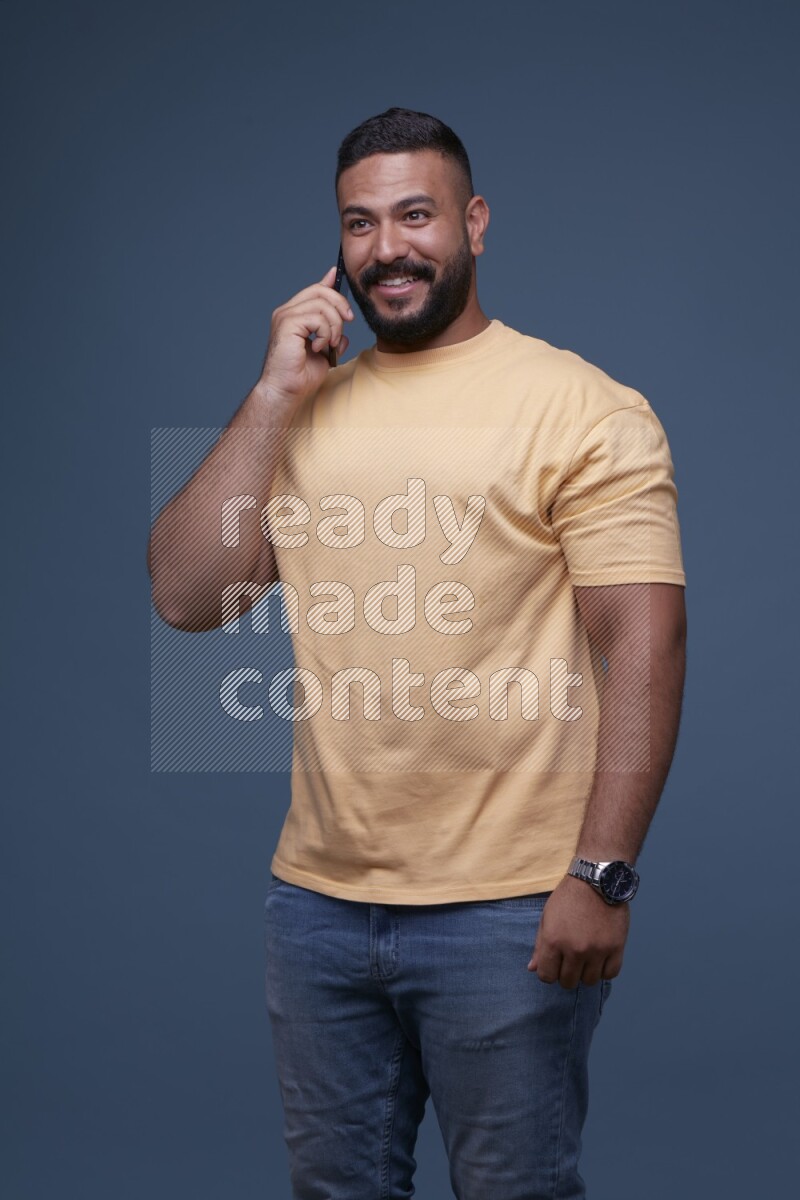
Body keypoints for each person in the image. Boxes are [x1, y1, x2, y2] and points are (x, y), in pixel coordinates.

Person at [148, 107, 687, 1199]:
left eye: (413, 215)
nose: (386, 247)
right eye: (359, 222)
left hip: (509, 908)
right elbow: (188, 595)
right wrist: (268, 395)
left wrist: (600, 874)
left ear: (473, 223)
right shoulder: (302, 412)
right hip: (317, 908)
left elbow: (643, 638)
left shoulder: (580, 407)